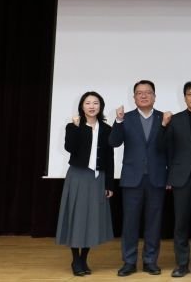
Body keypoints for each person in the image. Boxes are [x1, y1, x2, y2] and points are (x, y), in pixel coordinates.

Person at [109, 80, 168, 277]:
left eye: (148, 92)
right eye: (139, 93)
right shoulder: (125, 118)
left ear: (154, 96)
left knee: (154, 222)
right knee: (130, 223)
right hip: (132, 179)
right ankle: (129, 261)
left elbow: (170, 149)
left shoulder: (164, 118)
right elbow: (114, 142)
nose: (143, 95)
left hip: (156, 178)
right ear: (134, 97)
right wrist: (118, 121)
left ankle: (150, 261)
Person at [157, 80, 191, 278]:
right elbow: (163, 147)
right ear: (185, 97)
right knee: (180, 224)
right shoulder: (175, 120)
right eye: (190, 94)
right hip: (180, 179)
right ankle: (181, 264)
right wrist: (163, 125)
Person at [56, 91, 114, 276]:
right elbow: (70, 147)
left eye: (95, 103)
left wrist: (109, 184)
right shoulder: (73, 126)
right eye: (88, 103)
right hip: (78, 176)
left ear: (100, 106)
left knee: (92, 218)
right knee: (76, 217)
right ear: (82, 106)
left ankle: (83, 259)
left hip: (98, 178)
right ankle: (75, 260)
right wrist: (76, 127)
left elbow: (110, 158)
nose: (91, 106)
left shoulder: (107, 129)